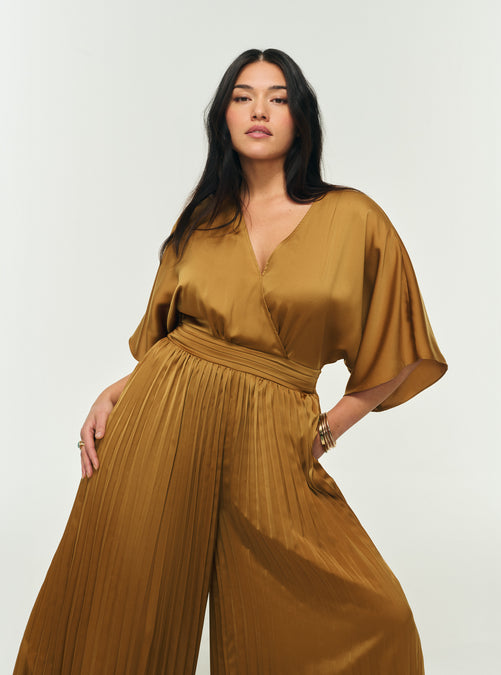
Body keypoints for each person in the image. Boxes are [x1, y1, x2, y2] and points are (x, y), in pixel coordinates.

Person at [13, 48, 447, 674]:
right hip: (161, 420)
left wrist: (327, 429)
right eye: (243, 97)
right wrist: (117, 390)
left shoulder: (354, 218)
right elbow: (177, 338)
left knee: (378, 613)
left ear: (301, 117)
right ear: (224, 117)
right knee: (123, 603)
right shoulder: (202, 219)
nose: (259, 110)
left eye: (278, 98)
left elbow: (399, 349)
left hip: (272, 429)